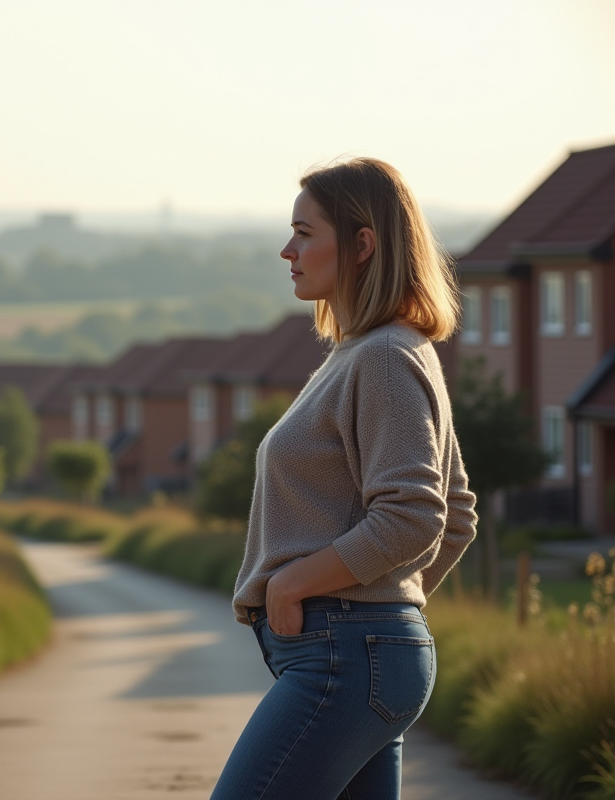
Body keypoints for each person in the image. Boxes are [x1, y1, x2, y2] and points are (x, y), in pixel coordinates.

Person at [208, 158, 478, 800]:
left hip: (345, 657)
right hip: (358, 653)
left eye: (304, 234)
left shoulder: (383, 357)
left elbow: (416, 515)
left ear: (362, 244)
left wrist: (299, 584)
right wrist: (387, 604)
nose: (287, 251)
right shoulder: (369, 352)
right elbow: (457, 513)